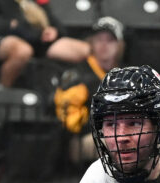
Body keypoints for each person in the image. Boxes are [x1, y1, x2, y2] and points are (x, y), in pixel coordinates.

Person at [0, 0, 90, 88]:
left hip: (38, 40)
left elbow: (52, 19)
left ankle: (78, 93)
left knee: (84, 49)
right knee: (22, 51)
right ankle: (2, 92)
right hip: (0, 39)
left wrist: (54, 30)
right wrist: (16, 27)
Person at [53, 16, 124, 164]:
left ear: (119, 45)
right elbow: (70, 122)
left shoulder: (122, 75)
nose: (104, 45)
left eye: (110, 40)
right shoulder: (79, 75)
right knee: (118, 143)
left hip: (116, 133)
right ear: (91, 43)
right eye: (99, 39)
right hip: (80, 140)